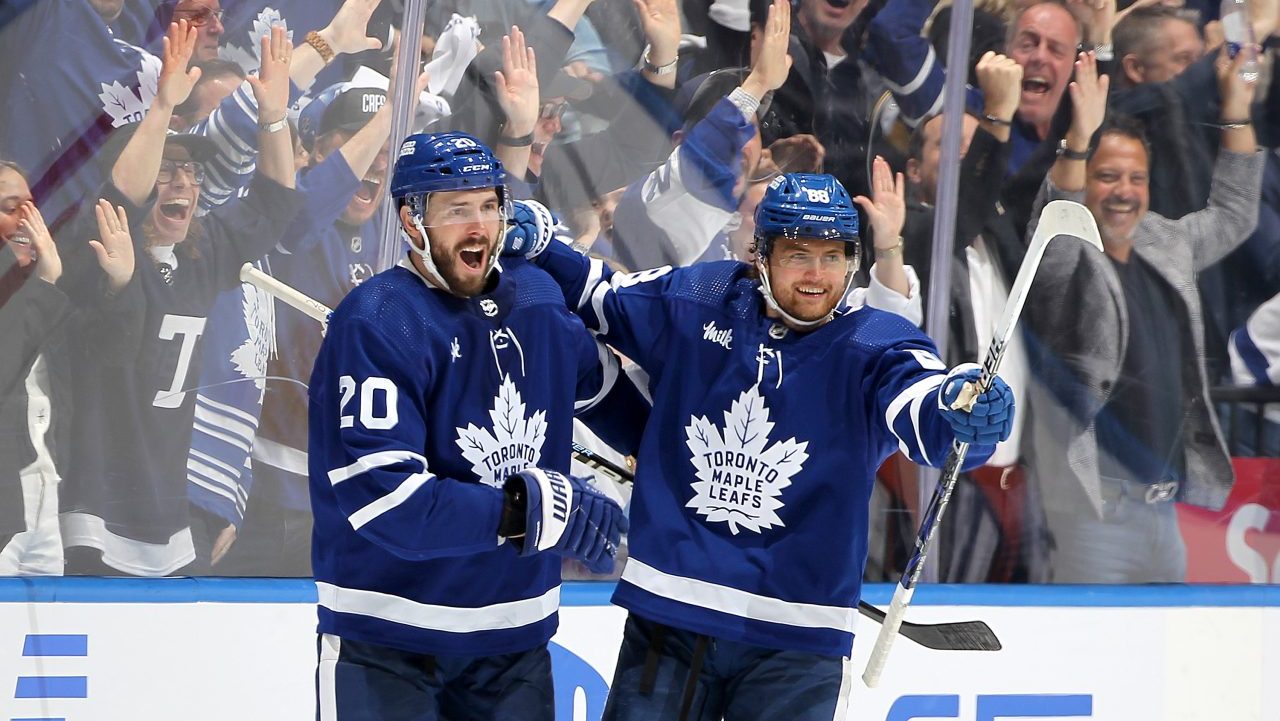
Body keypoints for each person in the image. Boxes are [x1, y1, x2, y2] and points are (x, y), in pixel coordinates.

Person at [503, 167, 1015, 720]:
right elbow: (600, 296)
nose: (817, 275)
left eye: (833, 256)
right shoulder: (702, 299)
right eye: (798, 255)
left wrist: (961, 408)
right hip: (671, 618)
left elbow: (923, 412)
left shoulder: (876, 343)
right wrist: (542, 243)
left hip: (796, 643)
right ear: (761, 255)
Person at [309, 130, 642, 719]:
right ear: (412, 222)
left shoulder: (537, 299)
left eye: (488, 205)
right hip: (388, 644)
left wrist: (683, 471)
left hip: (514, 647)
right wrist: (527, 510)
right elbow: (387, 502)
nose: (479, 226)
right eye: (456, 209)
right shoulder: (378, 321)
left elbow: (607, 396)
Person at [1025, 49, 1263, 583]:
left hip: (1164, 510)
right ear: (1086, 183)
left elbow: (1234, 212)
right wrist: (1078, 139)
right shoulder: (1067, 253)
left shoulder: (1165, 241)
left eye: (1137, 177)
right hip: (1095, 516)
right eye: (1107, 176)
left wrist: (1237, 109)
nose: (1125, 192)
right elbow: (1056, 223)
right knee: (1095, 661)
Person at [0, 162, 139, 575]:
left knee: (40, 638)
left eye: (31, 205)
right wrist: (44, 285)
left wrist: (120, 285)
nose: (28, 218)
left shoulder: (41, 293)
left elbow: (109, 353)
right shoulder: (38, 294)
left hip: (44, 495)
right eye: (10, 206)